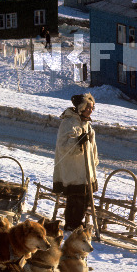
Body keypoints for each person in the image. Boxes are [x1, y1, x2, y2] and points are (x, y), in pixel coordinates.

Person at [53, 93, 98, 231]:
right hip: (73, 170)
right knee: (76, 199)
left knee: (86, 200)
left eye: (92, 107)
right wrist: (77, 142)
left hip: (86, 170)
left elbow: (93, 147)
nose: (90, 110)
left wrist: (94, 161)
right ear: (81, 108)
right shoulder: (69, 123)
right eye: (88, 107)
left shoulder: (87, 125)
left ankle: (77, 222)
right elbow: (63, 146)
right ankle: (72, 224)